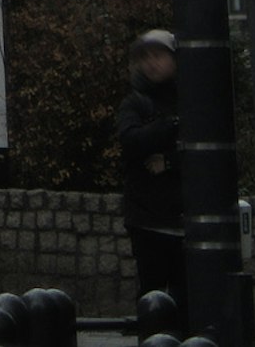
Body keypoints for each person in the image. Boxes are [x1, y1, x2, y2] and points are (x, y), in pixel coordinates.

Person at [116, 24, 189, 325]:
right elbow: (131, 142)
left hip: (184, 218)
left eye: (159, 55)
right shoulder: (135, 102)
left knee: (187, 301)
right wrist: (169, 127)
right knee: (152, 299)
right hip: (147, 218)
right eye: (146, 57)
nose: (152, 63)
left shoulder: (191, 100)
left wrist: (169, 161)